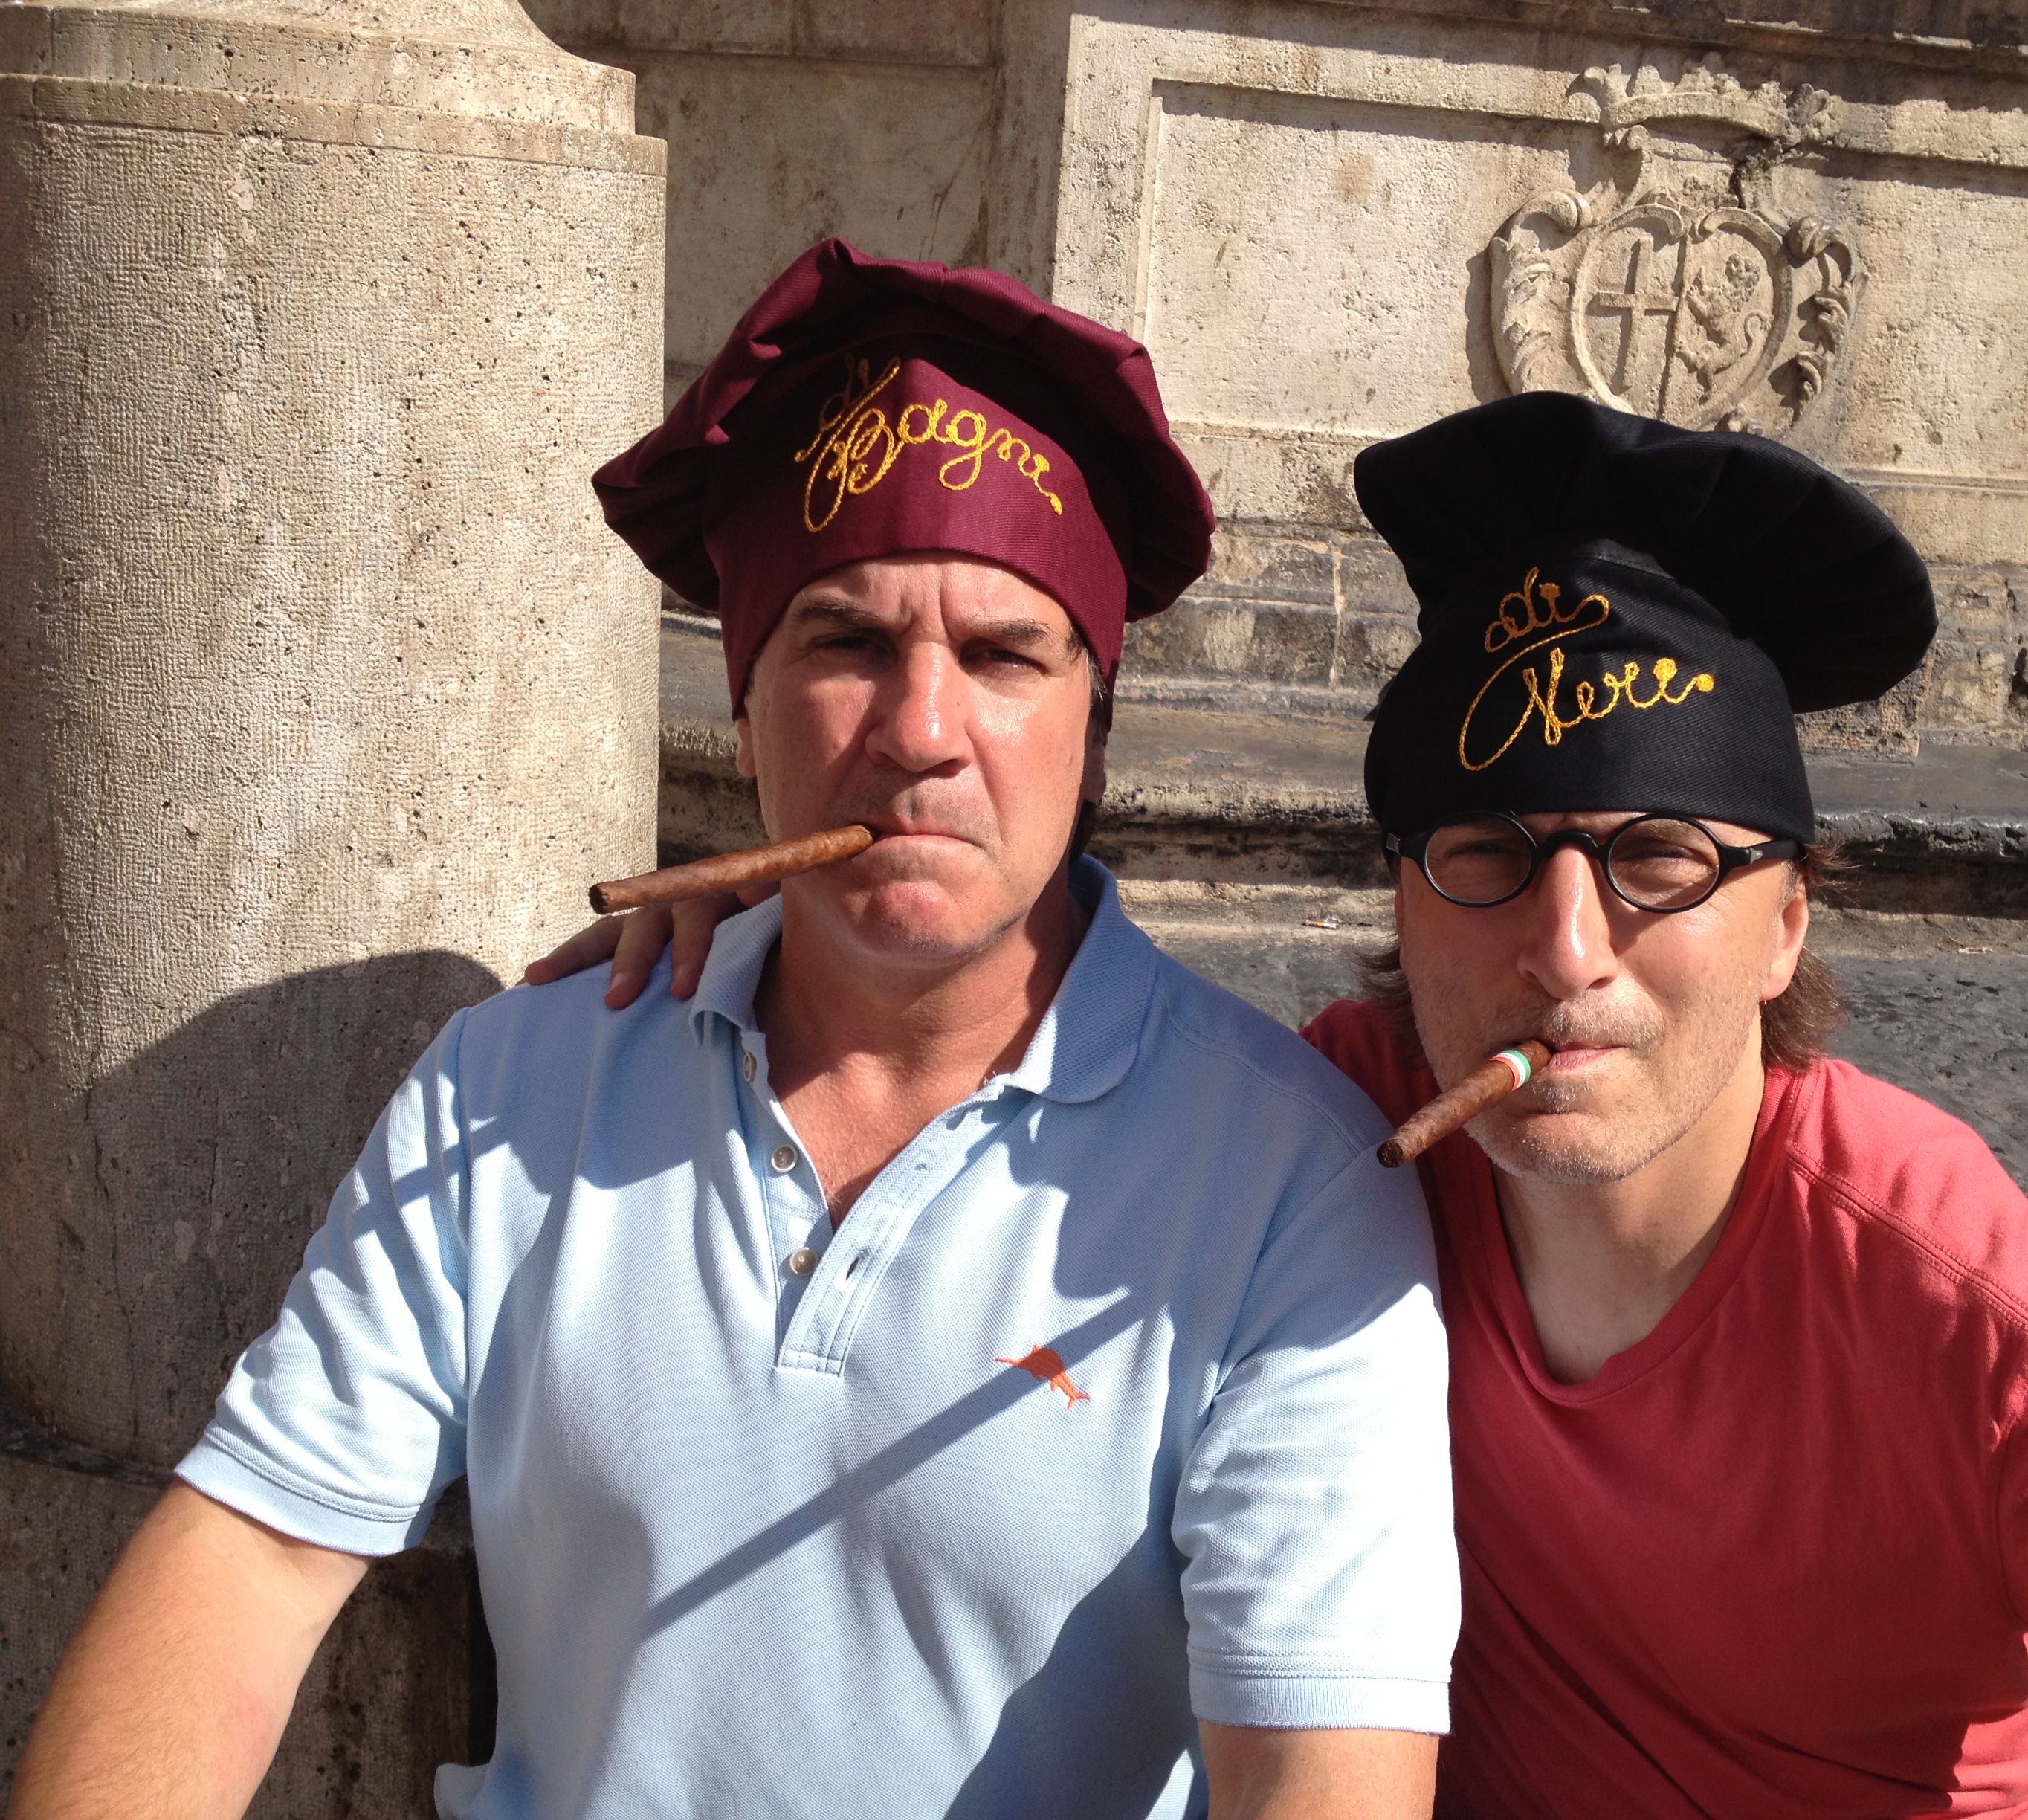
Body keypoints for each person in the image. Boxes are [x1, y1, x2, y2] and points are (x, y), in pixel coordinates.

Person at [550, 390, 2028, 1820]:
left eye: (1662, 860)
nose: (1564, 949)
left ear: (1788, 919)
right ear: (1401, 902)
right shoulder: (1333, 1140)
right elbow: (1044, 1034)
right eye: (1489, 856)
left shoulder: (1964, 1310)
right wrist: (794, 943)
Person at [9, 242, 1459, 1820]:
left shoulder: (1291, 1189)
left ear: (1093, 731)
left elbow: (1316, 1771)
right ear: (743, 710)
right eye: (846, 643)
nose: (920, 733)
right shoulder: (518, 1085)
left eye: (1000, 656)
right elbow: (250, 1558)